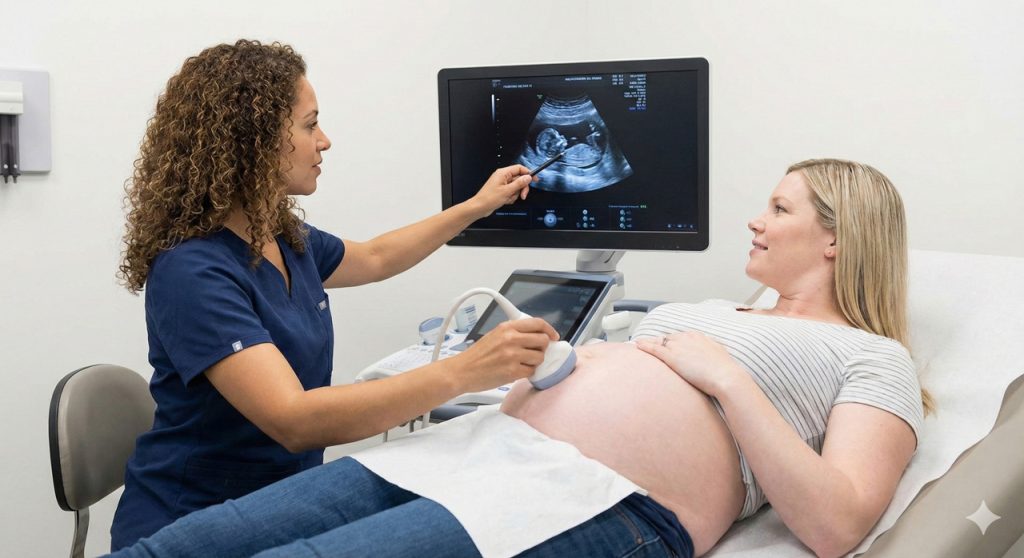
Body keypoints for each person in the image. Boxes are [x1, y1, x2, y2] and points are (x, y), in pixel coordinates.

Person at [109, 159, 931, 558]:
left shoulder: (870, 355)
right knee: (188, 547)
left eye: (778, 208)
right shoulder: (714, 311)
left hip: (601, 501)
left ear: (837, 238)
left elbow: (838, 524)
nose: (756, 220)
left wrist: (727, 378)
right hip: (475, 453)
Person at [110, 39, 561, 550]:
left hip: (277, 505)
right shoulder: (193, 270)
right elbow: (294, 419)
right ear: (253, 141)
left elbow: (375, 256)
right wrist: (468, 370)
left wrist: (477, 206)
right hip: (193, 526)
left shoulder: (278, 237)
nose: (324, 141)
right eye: (309, 126)